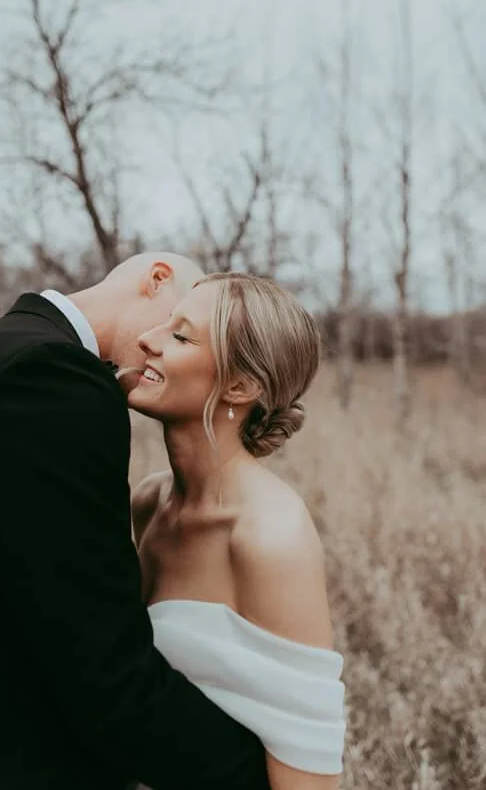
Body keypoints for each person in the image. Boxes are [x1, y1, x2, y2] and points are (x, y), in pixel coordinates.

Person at [0, 254, 271, 790]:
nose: (159, 345)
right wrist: (250, 774)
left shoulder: (3, 348)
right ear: (156, 278)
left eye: (183, 338)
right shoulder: (48, 378)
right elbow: (99, 665)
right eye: (177, 324)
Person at [129, 272, 346, 790]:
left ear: (240, 386)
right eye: (163, 325)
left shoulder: (270, 534)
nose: (147, 340)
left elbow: (307, 770)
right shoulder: (147, 502)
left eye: (180, 336)